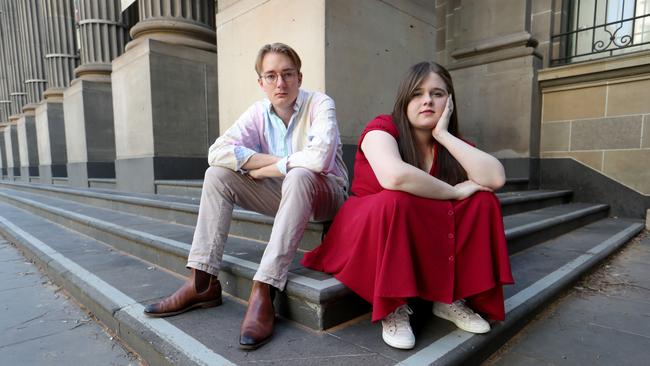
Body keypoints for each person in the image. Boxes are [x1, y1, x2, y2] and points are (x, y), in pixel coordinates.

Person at [143, 43, 348, 350]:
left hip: (327, 195)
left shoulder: (320, 104)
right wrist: (272, 163)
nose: (281, 83)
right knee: (217, 175)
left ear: (300, 77)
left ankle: (265, 287)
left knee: (302, 173)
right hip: (286, 192)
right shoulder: (257, 113)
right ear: (261, 82)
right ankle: (202, 281)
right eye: (272, 75)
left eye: (288, 74)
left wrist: (268, 170)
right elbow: (217, 153)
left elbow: (318, 161)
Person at [301, 61, 514, 350]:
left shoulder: (451, 143)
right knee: (397, 199)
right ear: (404, 100)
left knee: (483, 202)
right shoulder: (383, 128)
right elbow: (395, 176)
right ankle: (393, 306)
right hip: (371, 223)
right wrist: (452, 191)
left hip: (417, 221)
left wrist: (444, 135)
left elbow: (495, 177)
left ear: (449, 102)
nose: (427, 100)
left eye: (437, 93)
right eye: (417, 93)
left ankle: (448, 296)